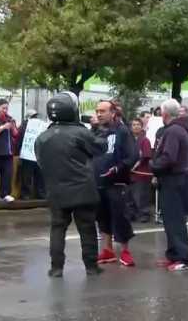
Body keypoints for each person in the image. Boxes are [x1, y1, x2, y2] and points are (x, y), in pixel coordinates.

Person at [35, 92, 105, 277]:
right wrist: (98, 128)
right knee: (87, 228)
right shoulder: (81, 132)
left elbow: (41, 162)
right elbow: (100, 147)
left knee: (57, 228)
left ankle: (56, 267)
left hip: (56, 190)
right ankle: (91, 266)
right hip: (82, 188)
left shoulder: (42, 137)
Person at [151, 99, 188, 271]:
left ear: (164, 114)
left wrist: (153, 166)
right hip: (177, 178)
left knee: (175, 221)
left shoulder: (172, 131)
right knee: (170, 220)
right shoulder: (180, 130)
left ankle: (185, 259)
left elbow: (169, 157)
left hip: (173, 179)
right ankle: (174, 255)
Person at [93, 100, 138, 267]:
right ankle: (107, 250)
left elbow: (133, 156)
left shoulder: (123, 131)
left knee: (120, 217)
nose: (99, 114)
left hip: (116, 183)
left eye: (103, 111)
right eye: (97, 111)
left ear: (113, 113)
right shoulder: (98, 132)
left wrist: (117, 168)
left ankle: (125, 251)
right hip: (99, 182)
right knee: (102, 216)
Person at [18, 110, 45, 200]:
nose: (35, 118)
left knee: (40, 175)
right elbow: (20, 138)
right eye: (33, 116)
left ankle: (40, 193)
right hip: (27, 154)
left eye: (36, 116)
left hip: (38, 154)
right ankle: (26, 194)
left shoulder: (41, 126)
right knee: (26, 175)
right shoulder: (23, 126)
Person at [130, 118, 153, 223]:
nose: (136, 126)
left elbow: (145, 156)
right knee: (131, 195)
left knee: (142, 195)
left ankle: (144, 214)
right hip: (130, 174)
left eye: (138, 124)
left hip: (142, 172)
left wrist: (133, 167)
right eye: (134, 125)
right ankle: (133, 213)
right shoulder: (129, 140)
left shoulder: (145, 140)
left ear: (142, 126)